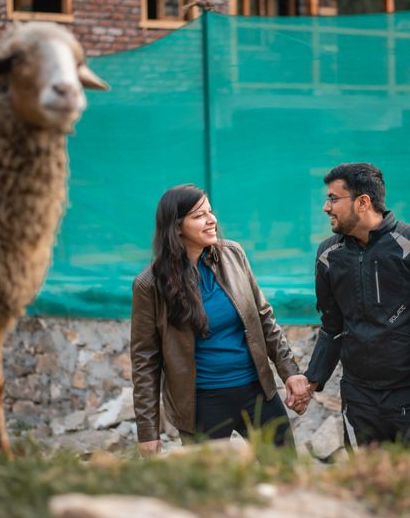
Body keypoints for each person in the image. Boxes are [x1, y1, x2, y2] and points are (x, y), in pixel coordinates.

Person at [287, 163, 410, 454]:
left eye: (333, 198)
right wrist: (312, 381)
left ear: (363, 202)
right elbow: (333, 328)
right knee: (368, 491)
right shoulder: (329, 255)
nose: (325, 207)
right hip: (359, 402)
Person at [131, 184, 309, 456]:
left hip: (258, 392)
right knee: (212, 490)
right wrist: (147, 430)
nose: (212, 220)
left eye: (210, 212)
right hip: (202, 404)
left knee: (286, 473)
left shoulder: (233, 255)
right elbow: (145, 360)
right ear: (177, 227)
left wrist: (290, 371)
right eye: (199, 215)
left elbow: (263, 318)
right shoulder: (150, 284)